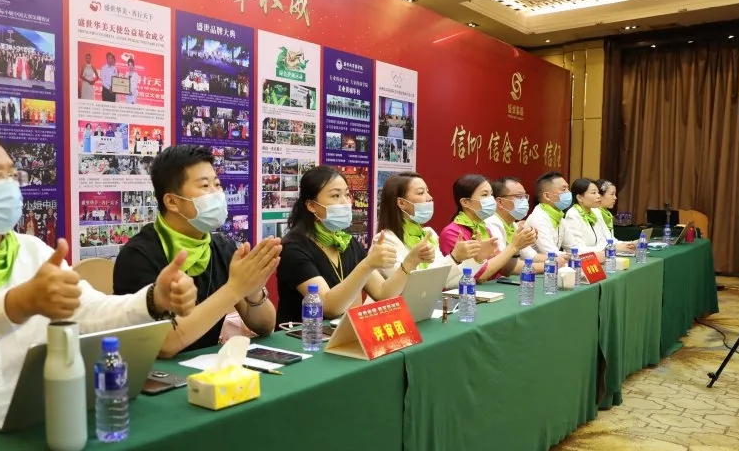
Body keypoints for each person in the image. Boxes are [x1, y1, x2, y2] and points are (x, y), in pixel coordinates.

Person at [0, 126, 198, 413]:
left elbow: (90, 313)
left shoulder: (33, 251)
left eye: (12, 175)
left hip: (25, 416)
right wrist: (18, 304)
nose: (9, 186)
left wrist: (154, 299)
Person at [114, 145, 279, 357]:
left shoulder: (222, 247)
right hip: (149, 371)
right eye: (205, 186)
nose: (217, 194)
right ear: (172, 201)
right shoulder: (138, 255)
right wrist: (235, 288)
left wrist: (253, 289)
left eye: (217, 184)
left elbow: (266, 326)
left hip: (207, 369)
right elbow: (165, 343)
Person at [275, 166, 407, 326]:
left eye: (347, 194)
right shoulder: (294, 248)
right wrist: (368, 264)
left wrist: (410, 262)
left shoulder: (347, 242)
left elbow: (382, 292)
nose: (346, 202)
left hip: (343, 332)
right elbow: (328, 307)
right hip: (303, 335)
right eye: (336, 196)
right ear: (311, 205)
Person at [374, 173, 480, 289]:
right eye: (421, 193)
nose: (429, 197)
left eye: (427, 191)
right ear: (401, 203)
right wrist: (454, 258)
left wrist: (477, 260)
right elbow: (412, 287)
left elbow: (445, 282)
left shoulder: (428, 234)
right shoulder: (385, 240)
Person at [439, 174, 536, 283]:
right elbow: (477, 276)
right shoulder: (452, 232)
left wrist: (517, 248)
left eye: (491, 194)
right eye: (485, 195)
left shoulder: (484, 228)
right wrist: (514, 246)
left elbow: (505, 271)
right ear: (465, 202)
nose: (491, 200)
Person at [485, 176, 566, 274]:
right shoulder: (491, 223)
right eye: (519, 196)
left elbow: (531, 256)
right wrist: (550, 265)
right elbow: (506, 266)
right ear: (500, 202)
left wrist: (559, 259)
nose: (524, 201)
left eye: (525, 196)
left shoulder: (513, 225)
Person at [561, 178, 635, 256]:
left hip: (600, 257)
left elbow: (606, 240)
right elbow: (578, 249)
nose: (598, 196)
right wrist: (610, 248)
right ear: (580, 198)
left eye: (598, 192)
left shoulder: (596, 212)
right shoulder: (572, 215)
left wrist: (630, 244)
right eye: (594, 193)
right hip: (580, 260)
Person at [526, 171, 572, 257]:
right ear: (547, 196)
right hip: (535, 265)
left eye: (568, 189)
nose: (568, 192)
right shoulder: (538, 218)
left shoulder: (559, 217)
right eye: (563, 189)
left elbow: (573, 248)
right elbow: (551, 253)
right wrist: (575, 256)